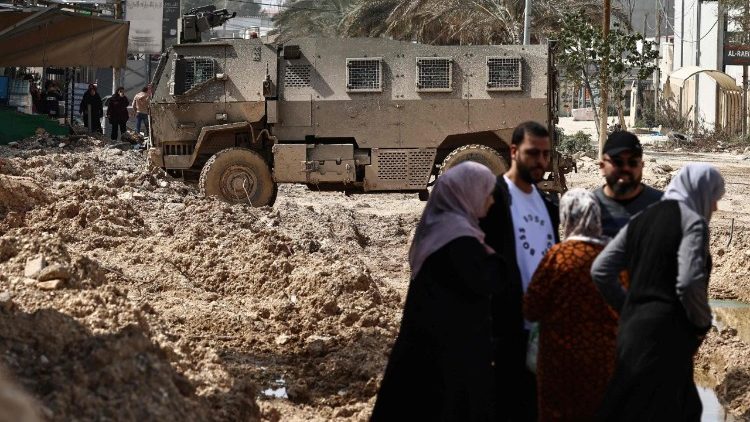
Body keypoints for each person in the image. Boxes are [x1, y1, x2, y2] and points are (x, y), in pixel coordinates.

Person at [591, 163, 725, 422]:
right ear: (700, 192)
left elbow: (600, 270)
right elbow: (688, 282)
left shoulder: (642, 218)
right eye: (714, 198)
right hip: (668, 337)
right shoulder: (692, 223)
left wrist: (629, 309)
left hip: (631, 334)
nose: (715, 207)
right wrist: (701, 322)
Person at [371, 161, 505, 422]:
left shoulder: (441, 228)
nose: (491, 201)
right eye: (487, 194)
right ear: (468, 193)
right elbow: (487, 280)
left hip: (426, 353)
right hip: (446, 362)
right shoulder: (459, 239)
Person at [480, 121, 559, 422]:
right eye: (533, 153)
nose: (541, 161)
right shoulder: (493, 199)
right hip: (505, 331)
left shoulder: (549, 206)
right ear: (514, 151)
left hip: (540, 334)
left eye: (545, 154)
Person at [524, 189, 619, 422]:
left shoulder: (558, 256)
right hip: (604, 362)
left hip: (559, 363)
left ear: (566, 218)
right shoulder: (613, 259)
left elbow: (531, 308)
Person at [594, 131, 663, 238]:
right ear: (602, 166)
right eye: (617, 162)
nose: (626, 168)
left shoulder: (663, 206)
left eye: (632, 162)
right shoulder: (588, 207)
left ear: (642, 166)